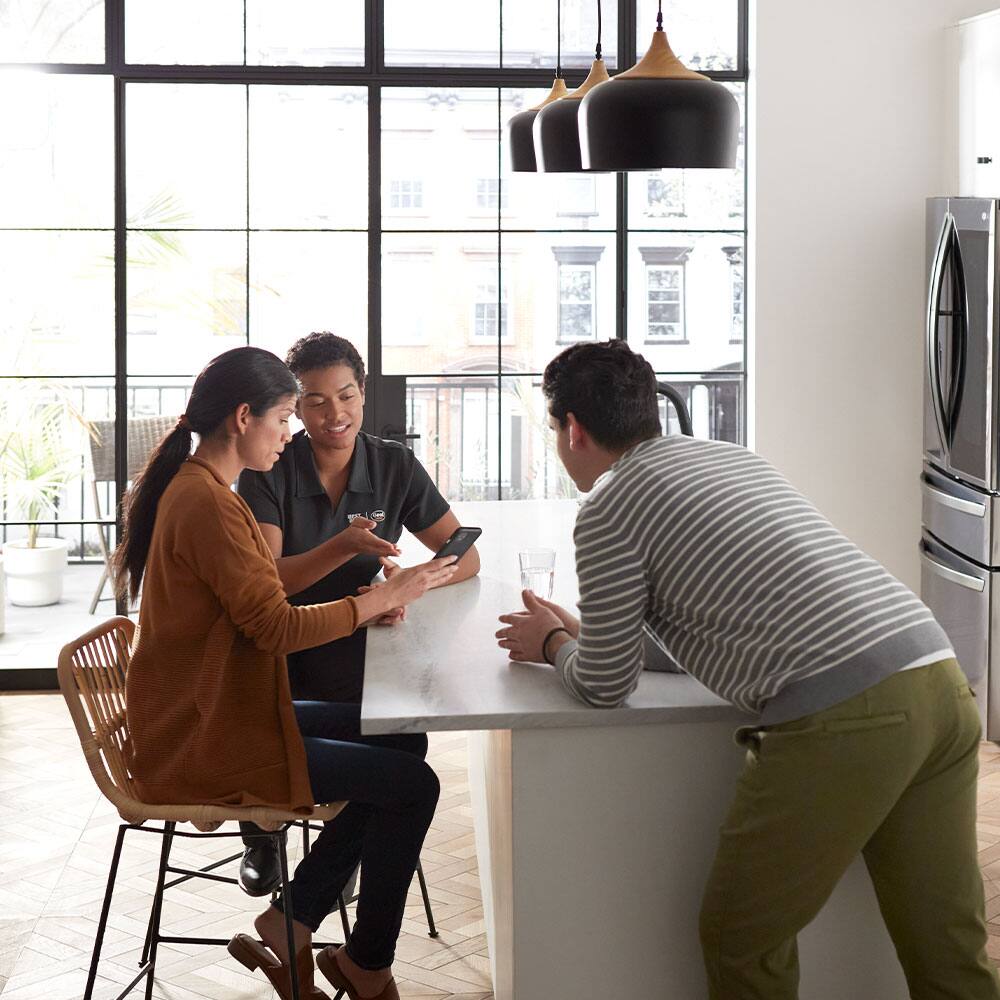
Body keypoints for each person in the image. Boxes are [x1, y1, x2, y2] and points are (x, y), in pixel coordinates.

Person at [495, 339, 1000, 1000]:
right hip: (937, 677)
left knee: (741, 938)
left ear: (574, 431)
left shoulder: (610, 507)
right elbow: (710, 629)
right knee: (946, 946)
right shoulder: (731, 458)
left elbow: (601, 686)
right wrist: (586, 632)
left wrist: (554, 642)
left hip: (849, 715)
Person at [114, 346, 457, 1000]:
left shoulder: (205, 490)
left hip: (222, 712)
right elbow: (274, 626)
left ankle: (292, 920)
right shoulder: (209, 505)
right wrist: (375, 600)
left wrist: (373, 599)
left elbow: (263, 617)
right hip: (205, 735)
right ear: (244, 418)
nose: (291, 432)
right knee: (412, 786)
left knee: (404, 742)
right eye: (283, 417)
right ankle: (361, 959)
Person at [234, 331, 480, 898]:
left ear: (363, 394)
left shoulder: (392, 464)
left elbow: (461, 555)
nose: (333, 414)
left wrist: (404, 587)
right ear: (295, 409)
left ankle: (334, 857)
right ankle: (262, 835)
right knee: (384, 747)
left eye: (345, 396)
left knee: (404, 737)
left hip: (357, 640)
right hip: (285, 646)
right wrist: (346, 549)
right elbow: (272, 580)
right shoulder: (269, 465)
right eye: (315, 402)